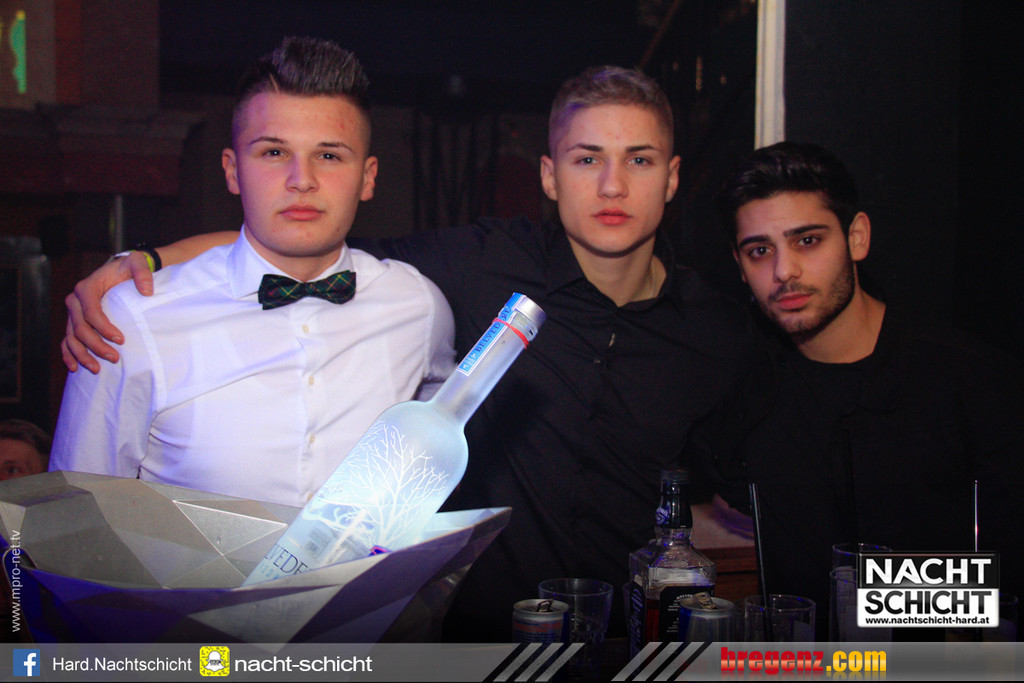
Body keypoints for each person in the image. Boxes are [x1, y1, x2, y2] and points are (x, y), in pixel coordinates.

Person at [60, 65, 754, 641]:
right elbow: (298, 241)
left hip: (616, 643)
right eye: (587, 159)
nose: (612, 185)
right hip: (458, 643)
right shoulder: (474, 266)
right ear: (549, 175)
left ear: (672, 177)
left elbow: (742, 481)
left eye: (639, 160)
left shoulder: (716, 332)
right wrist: (144, 260)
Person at [49, 37, 455, 509]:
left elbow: (438, 443)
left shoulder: (418, 305)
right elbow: (70, 517)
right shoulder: (132, 320)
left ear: (367, 178)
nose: (302, 180)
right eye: (274, 153)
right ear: (232, 170)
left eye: (328, 155)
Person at [691, 141, 1023, 637]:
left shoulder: (973, 382)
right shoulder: (743, 389)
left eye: (807, 240)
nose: (784, 271)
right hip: (796, 665)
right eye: (760, 251)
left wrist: (873, 603)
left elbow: (1006, 584)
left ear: (857, 237)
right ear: (740, 267)